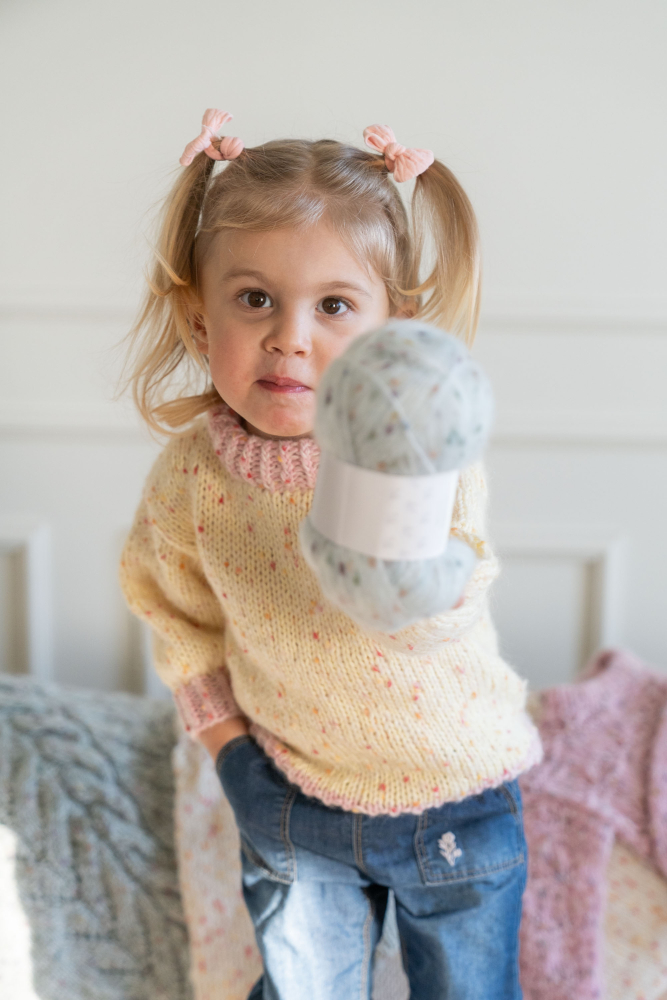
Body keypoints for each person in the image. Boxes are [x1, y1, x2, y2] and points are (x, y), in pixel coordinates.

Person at [118, 108, 543, 1000]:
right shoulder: (190, 479)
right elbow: (175, 616)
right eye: (254, 299)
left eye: (334, 306)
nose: (290, 336)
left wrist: (395, 565)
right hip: (292, 803)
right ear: (198, 319)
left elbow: (443, 603)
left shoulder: (418, 449)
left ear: (394, 329)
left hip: (453, 799)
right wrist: (232, 755)